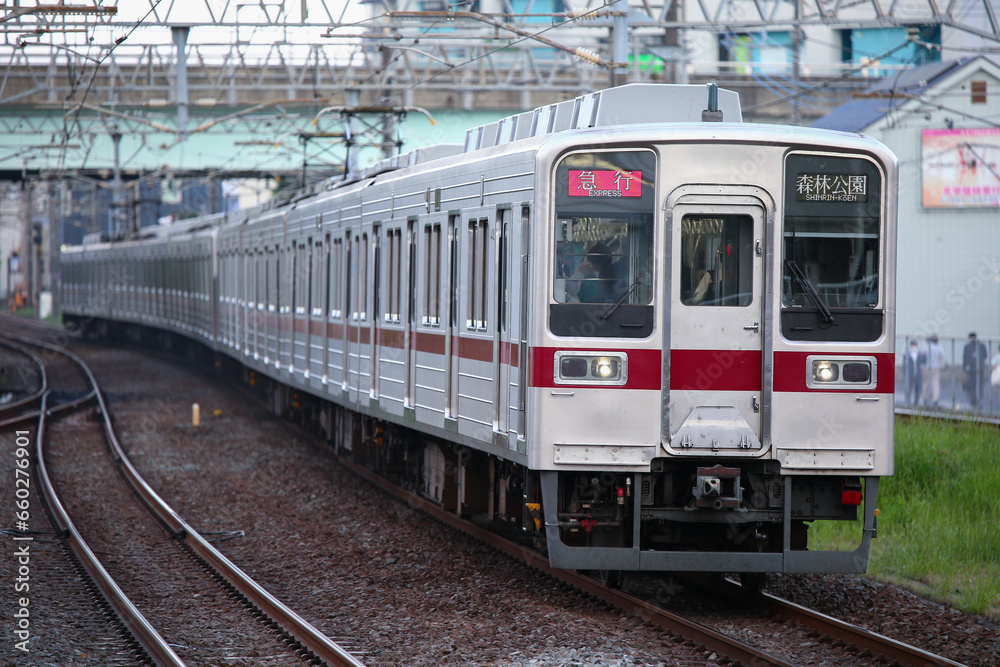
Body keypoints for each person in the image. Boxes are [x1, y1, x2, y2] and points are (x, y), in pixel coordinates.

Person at [962, 332, 989, 408]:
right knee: (977, 385)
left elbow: (965, 359)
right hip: (977, 369)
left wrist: (965, 370)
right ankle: (977, 400)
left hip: (974, 369)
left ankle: (975, 400)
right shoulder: (980, 346)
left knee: (974, 385)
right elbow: (985, 356)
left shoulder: (969, 347)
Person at [923, 334, 946, 406]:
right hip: (936, 367)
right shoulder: (939, 347)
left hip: (927, 366)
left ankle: (925, 398)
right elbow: (942, 356)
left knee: (925, 383)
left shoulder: (926, 347)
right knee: (935, 383)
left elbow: (922, 355)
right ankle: (935, 399)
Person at [902, 340, 926, 406]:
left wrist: (923, 355)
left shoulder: (919, 354)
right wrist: (904, 375)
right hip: (910, 375)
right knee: (908, 389)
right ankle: (908, 403)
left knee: (918, 389)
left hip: (918, 374)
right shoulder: (907, 355)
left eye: (915, 345)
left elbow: (924, 361)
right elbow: (904, 365)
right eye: (913, 345)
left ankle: (916, 403)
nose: (914, 347)